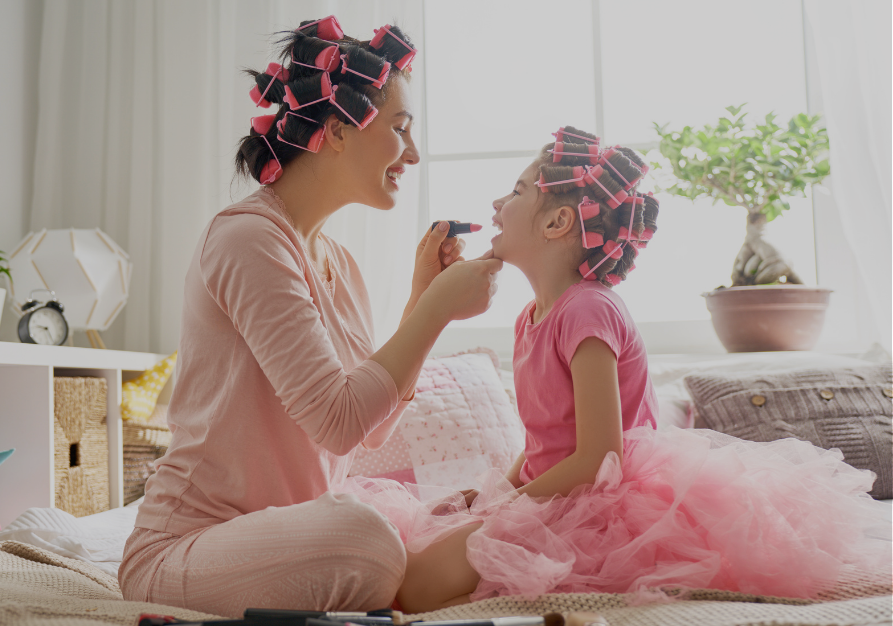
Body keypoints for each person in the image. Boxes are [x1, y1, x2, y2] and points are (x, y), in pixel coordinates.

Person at [342, 126, 889, 613]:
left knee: (415, 589)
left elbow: (598, 456)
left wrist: (504, 510)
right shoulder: (530, 317)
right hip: (554, 493)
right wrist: (486, 496)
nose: (496, 203)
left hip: (599, 501)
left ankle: (521, 595)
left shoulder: (588, 308)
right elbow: (544, 447)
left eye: (516, 192)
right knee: (405, 563)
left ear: (557, 221)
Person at [119, 16, 502, 618]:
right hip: (184, 549)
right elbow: (338, 420)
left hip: (286, 536)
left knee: (466, 531)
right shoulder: (247, 240)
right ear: (337, 132)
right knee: (368, 542)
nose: (414, 152)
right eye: (399, 129)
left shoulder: (339, 264)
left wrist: (419, 301)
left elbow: (370, 429)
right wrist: (434, 310)